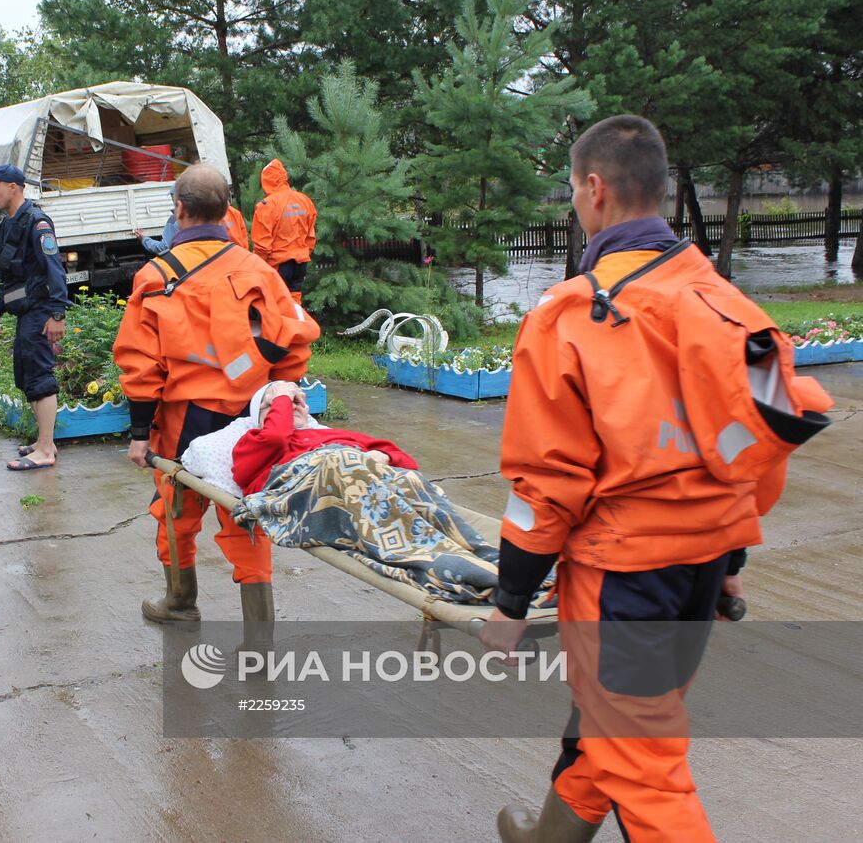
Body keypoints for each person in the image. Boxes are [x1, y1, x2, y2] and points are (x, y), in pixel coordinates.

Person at [479, 115, 833, 843]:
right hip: (698, 571)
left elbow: (545, 480)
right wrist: (728, 559)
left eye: (574, 191)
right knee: (618, 732)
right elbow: (753, 448)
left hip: (625, 576)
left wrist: (510, 600)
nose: (576, 204)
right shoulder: (726, 302)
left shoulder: (571, 315)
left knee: (646, 769)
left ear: (596, 189)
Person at [114, 164, 320, 624]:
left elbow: (140, 362)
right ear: (228, 211)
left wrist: (138, 433)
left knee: (175, 507)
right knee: (245, 512)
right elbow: (294, 339)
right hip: (249, 417)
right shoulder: (260, 272)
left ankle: (180, 602)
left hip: (184, 419)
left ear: (179, 209)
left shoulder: (154, 276)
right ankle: (259, 634)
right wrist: (282, 395)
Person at [0, 164, 71, 471]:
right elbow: (9, 277)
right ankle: (44, 440)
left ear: (13, 187)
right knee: (25, 373)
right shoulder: (8, 224)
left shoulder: (37, 222)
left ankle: (46, 449)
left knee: (39, 375)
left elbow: (55, 270)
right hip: (24, 310)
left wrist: (57, 313)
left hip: (41, 310)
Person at [231, 381, 416, 495]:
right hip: (316, 494)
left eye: (297, 402)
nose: (292, 406)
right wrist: (282, 396)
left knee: (420, 490)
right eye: (278, 403)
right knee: (337, 459)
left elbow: (407, 461)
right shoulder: (251, 442)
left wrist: (384, 456)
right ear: (259, 414)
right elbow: (275, 438)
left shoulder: (331, 434)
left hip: (376, 488)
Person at [250, 158, 317, 301]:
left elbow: (262, 245)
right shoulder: (304, 200)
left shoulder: (267, 205)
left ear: (266, 181)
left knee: (275, 304)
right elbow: (310, 238)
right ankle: (297, 323)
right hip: (300, 264)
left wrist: (260, 269)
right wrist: (302, 253)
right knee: (294, 301)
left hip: (278, 265)